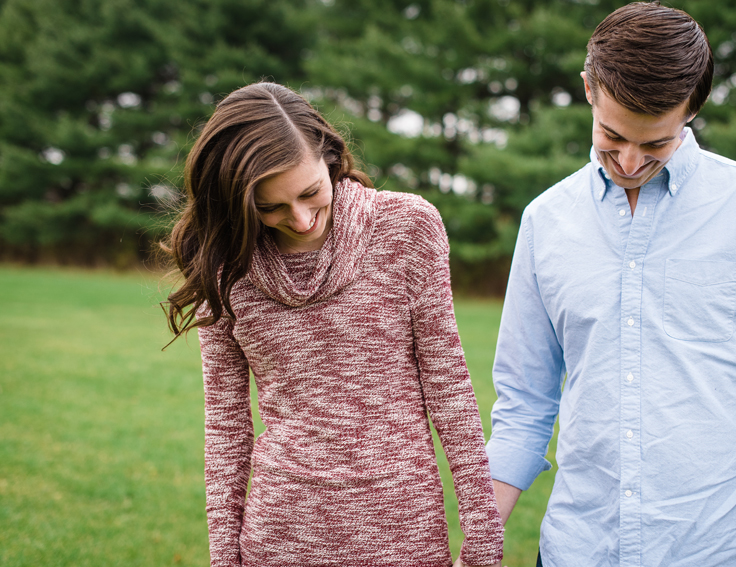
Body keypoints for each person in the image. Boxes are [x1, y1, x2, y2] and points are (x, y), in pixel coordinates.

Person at [485, 3, 736, 566]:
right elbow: (525, 401)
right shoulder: (544, 221)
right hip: (580, 550)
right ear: (588, 89)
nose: (629, 161)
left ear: (692, 110)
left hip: (723, 549)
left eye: (655, 144)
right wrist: (477, 537)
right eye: (612, 136)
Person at [162, 82, 503, 567]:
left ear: (329, 156)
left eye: (309, 193)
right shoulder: (224, 267)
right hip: (279, 537)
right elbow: (226, 426)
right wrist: (224, 557)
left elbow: (448, 387)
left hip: (403, 534)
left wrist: (484, 538)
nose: (300, 219)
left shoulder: (408, 227)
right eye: (271, 207)